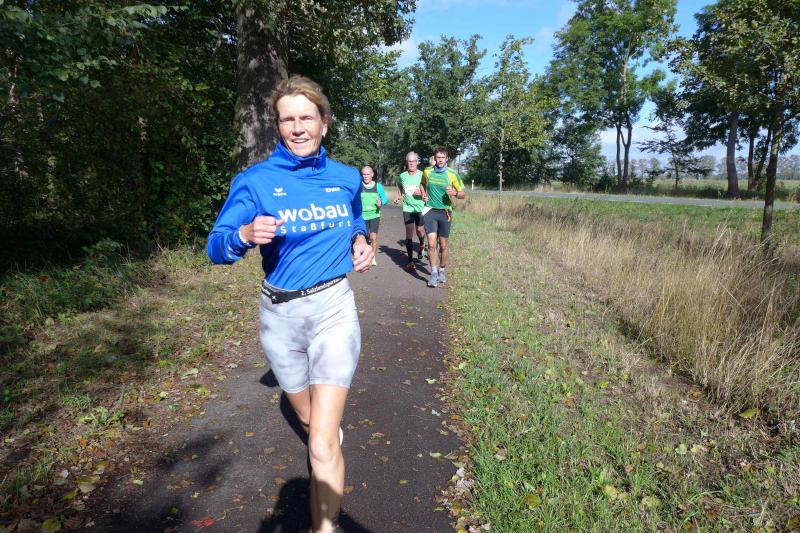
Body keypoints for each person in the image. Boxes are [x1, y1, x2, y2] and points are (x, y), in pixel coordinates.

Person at [206, 75, 373, 533]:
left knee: (320, 443)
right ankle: (324, 437)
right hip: (280, 316)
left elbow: (355, 216)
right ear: (278, 126)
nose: (297, 128)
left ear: (324, 122)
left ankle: (325, 524)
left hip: (334, 309)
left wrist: (360, 239)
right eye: (287, 120)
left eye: (306, 118)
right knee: (308, 420)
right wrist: (243, 235)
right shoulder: (255, 181)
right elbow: (216, 246)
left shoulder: (345, 177)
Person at [420, 147, 466, 288]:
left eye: (442, 157)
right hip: (430, 211)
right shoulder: (427, 171)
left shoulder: (452, 174)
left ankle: (442, 270)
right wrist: (423, 194)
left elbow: (462, 194)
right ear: (435, 158)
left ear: (446, 159)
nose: (440, 160)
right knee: (431, 244)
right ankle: (433, 273)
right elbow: (422, 184)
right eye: (438, 157)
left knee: (443, 245)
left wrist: (454, 193)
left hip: (445, 212)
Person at [393, 152, 427, 271]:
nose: (411, 163)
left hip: (420, 208)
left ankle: (422, 244)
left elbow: (429, 190)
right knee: (409, 232)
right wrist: (399, 196)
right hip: (407, 208)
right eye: (409, 161)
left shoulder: (423, 175)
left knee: (420, 230)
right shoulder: (403, 176)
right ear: (406, 162)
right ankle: (410, 260)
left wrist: (422, 193)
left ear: (417, 162)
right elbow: (400, 186)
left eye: (413, 161)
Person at [359, 165, 388, 266]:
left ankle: (372, 257)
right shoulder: (359, 186)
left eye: (368, 174)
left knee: (373, 237)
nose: (366, 176)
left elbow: (385, 200)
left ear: (372, 174)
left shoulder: (378, 186)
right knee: (365, 238)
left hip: (374, 215)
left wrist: (381, 202)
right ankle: (365, 254)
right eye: (364, 174)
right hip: (362, 216)